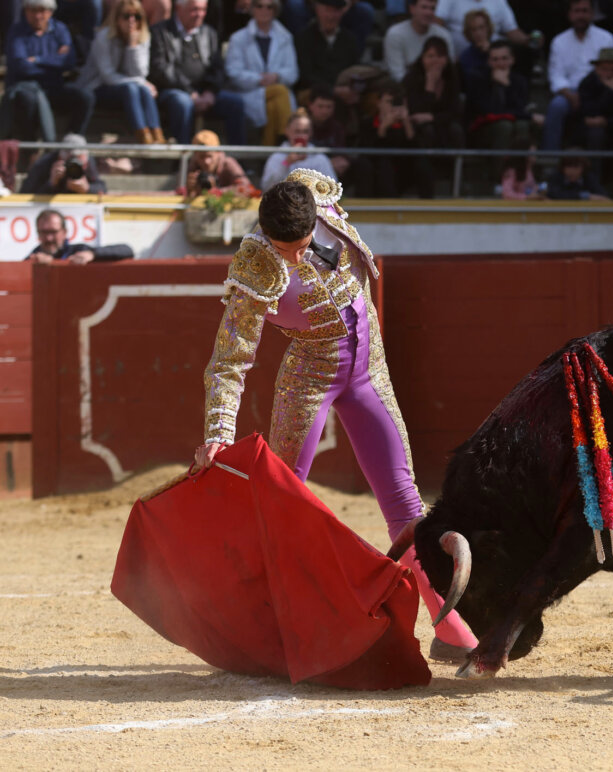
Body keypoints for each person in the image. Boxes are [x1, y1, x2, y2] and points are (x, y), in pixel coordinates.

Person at [195, 170, 479, 663]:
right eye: (284, 249)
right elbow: (230, 359)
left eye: (301, 246)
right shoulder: (255, 264)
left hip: (370, 366)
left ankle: (452, 629)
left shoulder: (318, 197)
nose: (295, 257)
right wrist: (219, 431)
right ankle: (271, 629)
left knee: (403, 497)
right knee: (285, 505)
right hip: (308, 375)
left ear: (315, 221)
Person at [150, 0, 247, 145]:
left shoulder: (209, 33)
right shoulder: (160, 32)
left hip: (204, 93)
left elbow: (217, 68)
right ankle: (183, 160)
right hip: (173, 91)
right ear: (178, 9)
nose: (199, 14)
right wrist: (190, 92)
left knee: (236, 103)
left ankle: (239, 160)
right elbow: (160, 69)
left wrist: (210, 91)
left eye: (203, 10)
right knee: (182, 103)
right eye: (194, 9)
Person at [3, 0, 94, 141]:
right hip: (26, 88)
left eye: (42, 11)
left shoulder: (60, 29)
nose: (38, 16)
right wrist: (54, 60)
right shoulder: (16, 31)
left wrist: (37, 60)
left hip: (53, 87)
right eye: (33, 11)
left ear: (51, 12)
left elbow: (68, 62)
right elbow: (20, 66)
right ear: (25, 11)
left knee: (85, 97)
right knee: (28, 99)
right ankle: (30, 143)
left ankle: (71, 141)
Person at [76, 0, 165, 144]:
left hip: (128, 90)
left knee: (141, 89)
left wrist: (132, 46)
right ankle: (142, 134)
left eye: (136, 16)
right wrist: (140, 82)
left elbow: (140, 72)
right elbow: (108, 76)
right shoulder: (103, 37)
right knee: (134, 87)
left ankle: (156, 132)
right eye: (126, 16)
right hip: (96, 87)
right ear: (116, 18)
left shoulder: (143, 37)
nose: (131, 21)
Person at [543, 0, 613, 151]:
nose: (580, 15)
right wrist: (569, 94)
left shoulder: (606, 39)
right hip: (570, 92)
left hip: (598, 91)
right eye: (577, 11)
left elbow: (612, 71)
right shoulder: (559, 41)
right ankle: (550, 156)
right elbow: (556, 75)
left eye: (584, 11)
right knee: (557, 106)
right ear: (569, 15)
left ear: (592, 14)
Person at [225, 0, 298, 145]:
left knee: (273, 104)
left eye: (269, 7)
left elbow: (293, 72)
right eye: (259, 6)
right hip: (249, 92)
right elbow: (233, 72)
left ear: (275, 10)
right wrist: (259, 79)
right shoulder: (238, 38)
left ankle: (269, 153)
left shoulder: (285, 37)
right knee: (280, 91)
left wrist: (277, 76)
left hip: (275, 95)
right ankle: (286, 140)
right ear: (252, 9)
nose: (264, 10)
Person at [402, 35, 464, 199]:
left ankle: (455, 182)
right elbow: (415, 112)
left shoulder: (452, 78)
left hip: (443, 125)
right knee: (427, 131)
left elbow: (455, 111)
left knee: (455, 130)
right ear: (422, 58)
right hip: (419, 130)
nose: (435, 61)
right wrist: (430, 85)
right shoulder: (412, 78)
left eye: (440, 56)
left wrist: (432, 117)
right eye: (430, 56)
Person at [465, 40, 533, 174]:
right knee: (504, 126)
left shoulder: (519, 81)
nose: (500, 63)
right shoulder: (478, 79)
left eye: (504, 58)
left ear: (512, 60)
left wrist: (506, 85)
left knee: (522, 125)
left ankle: (521, 177)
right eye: (495, 59)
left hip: (511, 127)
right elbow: (488, 112)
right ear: (488, 62)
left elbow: (520, 109)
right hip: (483, 132)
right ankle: (501, 178)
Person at [294, 0, 360, 106]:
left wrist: (352, 89)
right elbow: (305, 75)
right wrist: (332, 90)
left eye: (335, 11)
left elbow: (354, 69)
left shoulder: (349, 39)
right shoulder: (304, 38)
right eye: (327, 11)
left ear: (342, 12)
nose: (331, 16)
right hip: (314, 91)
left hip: (343, 91)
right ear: (317, 10)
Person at [261, 110, 337, 188]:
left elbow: (332, 187)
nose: (301, 136)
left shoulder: (320, 158)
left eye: (305, 132)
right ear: (286, 131)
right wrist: (287, 162)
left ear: (311, 133)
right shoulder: (276, 157)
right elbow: (267, 187)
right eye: (297, 131)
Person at [26, 208, 134, 263]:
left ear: (64, 232)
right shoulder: (34, 257)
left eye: (53, 232)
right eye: (44, 232)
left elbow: (127, 250)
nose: (49, 238)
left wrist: (93, 254)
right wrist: (34, 267)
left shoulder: (79, 250)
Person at [384, 0, 453, 82]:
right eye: (424, 7)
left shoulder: (443, 35)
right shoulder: (395, 34)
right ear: (412, 9)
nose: (428, 13)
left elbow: (450, 69)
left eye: (432, 8)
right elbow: (397, 73)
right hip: (405, 88)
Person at [19, 133, 107, 194]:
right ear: (60, 158)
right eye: (70, 161)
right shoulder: (45, 163)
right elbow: (25, 193)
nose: (74, 166)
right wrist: (51, 184)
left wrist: (88, 189)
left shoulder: (88, 161)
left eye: (79, 161)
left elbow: (102, 189)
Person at [436, 0, 527, 57]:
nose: (478, 32)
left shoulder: (499, 1)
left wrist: (529, 40)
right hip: (460, 57)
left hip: (494, 56)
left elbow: (511, 30)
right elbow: (436, 23)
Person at [184, 129, 250, 196]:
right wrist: (190, 190)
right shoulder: (193, 165)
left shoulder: (228, 163)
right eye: (202, 157)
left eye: (209, 156)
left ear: (218, 152)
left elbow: (247, 188)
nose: (206, 162)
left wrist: (216, 191)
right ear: (195, 155)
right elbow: (179, 192)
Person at [307, 86, 351, 179]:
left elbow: (341, 151)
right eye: (320, 106)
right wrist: (326, 162)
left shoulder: (337, 127)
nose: (325, 111)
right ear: (310, 105)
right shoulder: (302, 125)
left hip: (334, 169)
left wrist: (343, 160)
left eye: (329, 107)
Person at [455, 7, 492, 85]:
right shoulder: (465, 57)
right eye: (474, 29)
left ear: (488, 28)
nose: (478, 33)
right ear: (468, 32)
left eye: (481, 27)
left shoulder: (500, 50)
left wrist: (490, 52)